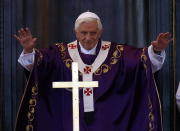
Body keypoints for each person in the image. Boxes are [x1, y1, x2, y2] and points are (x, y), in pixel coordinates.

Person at [14, 12, 172, 131]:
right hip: (68, 119)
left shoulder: (117, 53)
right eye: (83, 33)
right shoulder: (58, 53)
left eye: (93, 33)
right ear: (76, 32)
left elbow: (143, 61)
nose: (88, 37)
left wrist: (156, 49)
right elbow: (36, 66)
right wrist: (29, 50)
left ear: (100, 32)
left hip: (107, 121)